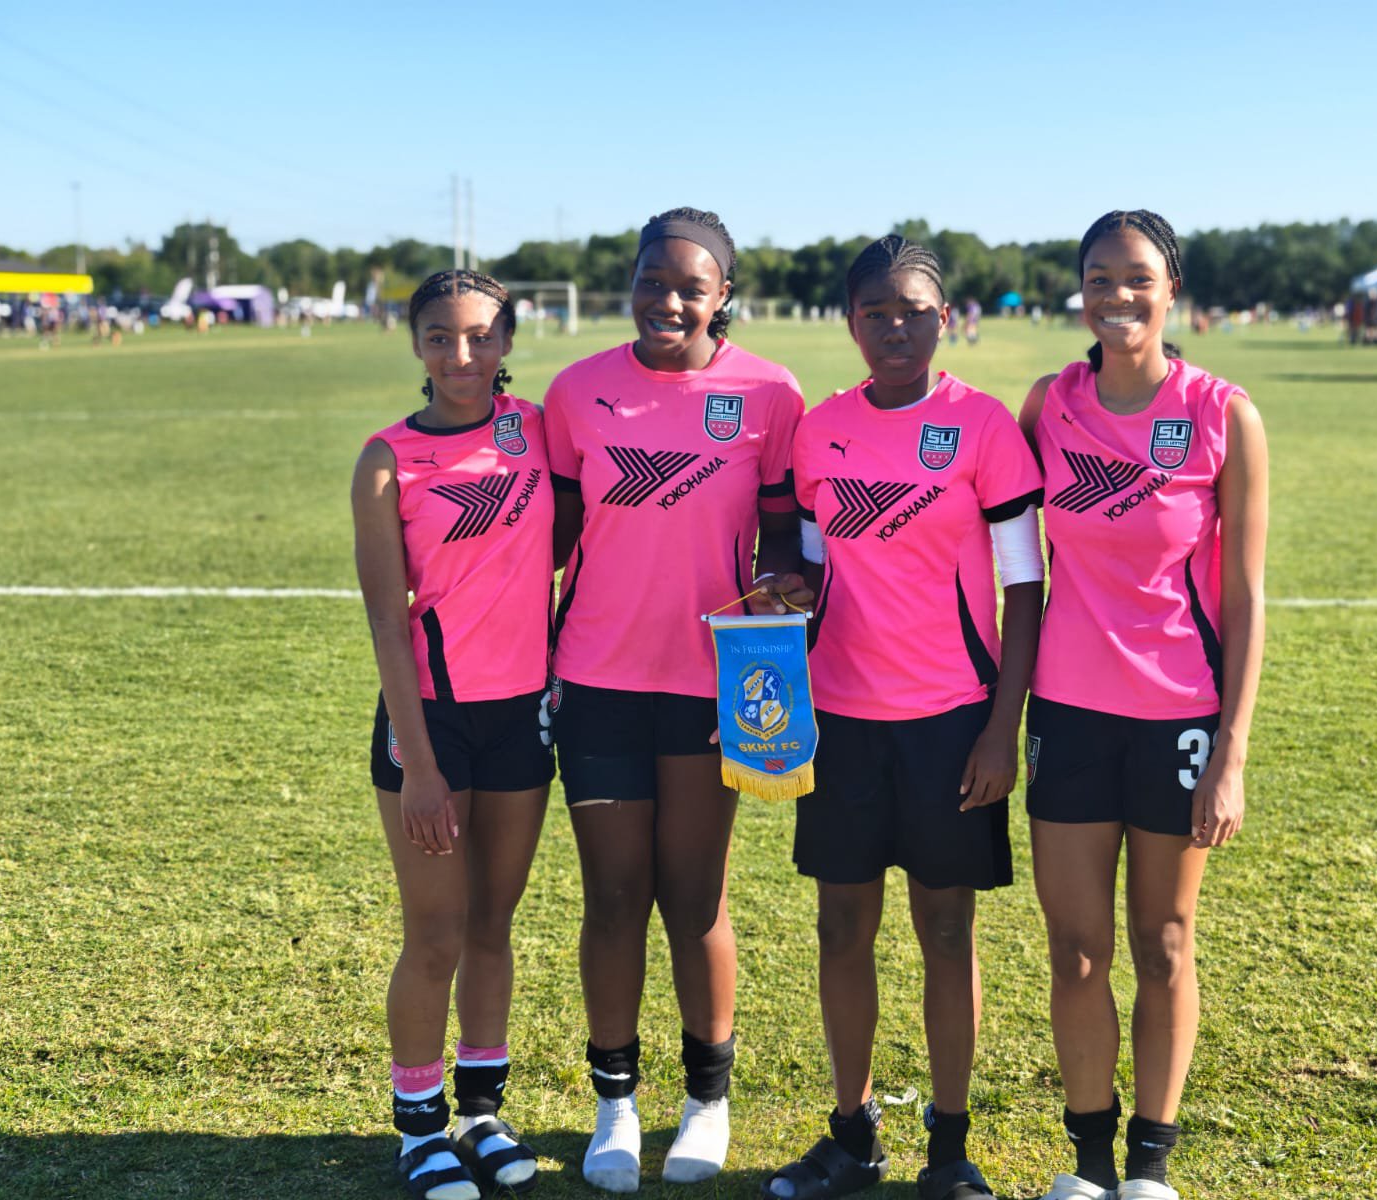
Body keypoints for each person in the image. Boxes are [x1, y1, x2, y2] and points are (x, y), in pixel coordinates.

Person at [762, 235, 1045, 1200]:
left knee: (946, 931)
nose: (896, 328)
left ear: (944, 318)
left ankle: (950, 1147)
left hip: (950, 721)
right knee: (840, 927)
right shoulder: (819, 432)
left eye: (914, 311)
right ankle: (852, 1135)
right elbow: (809, 575)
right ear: (851, 322)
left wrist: (1000, 728)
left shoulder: (983, 426)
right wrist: (773, 652)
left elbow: (1025, 587)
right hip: (841, 721)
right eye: (876, 312)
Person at [543, 207, 811, 1192]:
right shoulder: (576, 392)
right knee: (614, 896)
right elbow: (550, 536)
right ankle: (615, 1104)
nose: (667, 301)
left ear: (722, 295)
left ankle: (706, 1101)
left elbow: (787, 535)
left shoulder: (769, 394)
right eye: (652, 281)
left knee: (694, 898)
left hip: (717, 682)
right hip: (599, 679)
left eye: (690, 287)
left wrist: (786, 584)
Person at [1018, 211, 1268, 1200]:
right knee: (1076, 952)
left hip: (1180, 716)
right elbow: (993, 536)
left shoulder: (1222, 413)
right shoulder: (1049, 404)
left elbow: (1245, 597)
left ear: (1172, 290)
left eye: (1136, 278)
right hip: (1068, 714)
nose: (1116, 296)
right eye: (1098, 278)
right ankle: (1087, 1165)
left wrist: (1231, 754)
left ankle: (1150, 1167)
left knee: (1162, 946)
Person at [352, 269, 556, 1200]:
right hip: (429, 721)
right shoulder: (385, 460)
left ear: (506, 341)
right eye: (440, 337)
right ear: (416, 346)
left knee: (492, 925)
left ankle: (480, 1113)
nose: (461, 355)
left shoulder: (539, 430)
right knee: (434, 933)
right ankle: (419, 1129)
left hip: (523, 713)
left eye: (479, 336)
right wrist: (421, 765)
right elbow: (387, 622)